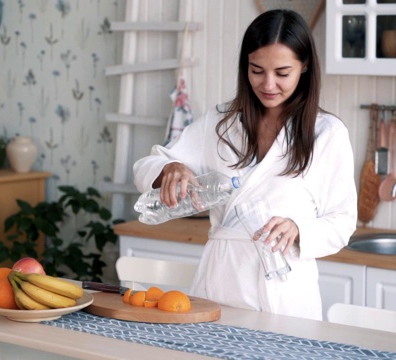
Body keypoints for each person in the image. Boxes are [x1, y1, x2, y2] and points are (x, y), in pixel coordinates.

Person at [133, 9, 357, 320]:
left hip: (285, 292)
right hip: (220, 282)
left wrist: (298, 228)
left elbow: (342, 222)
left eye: (282, 73)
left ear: (304, 67)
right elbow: (148, 163)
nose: (268, 84)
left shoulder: (326, 134)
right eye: (256, 70)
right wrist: (168, 169)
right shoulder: (221, 123)